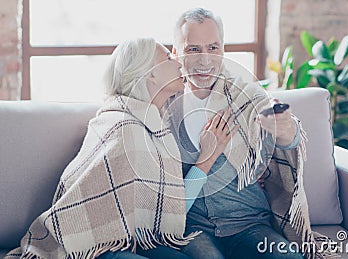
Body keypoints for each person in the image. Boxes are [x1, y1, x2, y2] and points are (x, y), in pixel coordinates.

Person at [5, 38, 238, 259]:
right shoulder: (125, 128)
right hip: (96, 247)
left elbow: (166, 210)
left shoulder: (155, 127)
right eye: (168, 58)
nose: (178, 62)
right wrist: (207, 159)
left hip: (135, 241)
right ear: (151, 73)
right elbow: (175, 207)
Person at [166, 8, 327, 258]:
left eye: (213, 48)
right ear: (176, 54)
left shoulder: (246, 96)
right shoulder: (163, 107)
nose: (204, 60)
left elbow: (288, 138)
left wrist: (285, 129)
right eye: (193, 49)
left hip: (249, 222)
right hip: (192, 226)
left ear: (223, 51)